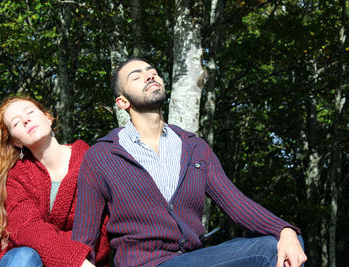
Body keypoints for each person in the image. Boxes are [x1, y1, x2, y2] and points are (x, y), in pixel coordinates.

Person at [71, 58, 307, 267]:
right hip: (144, 263)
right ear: (122, 102)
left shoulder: (194, 147)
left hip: (192, 258)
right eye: (137, 76)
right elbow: (84, 240)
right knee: (266, 251)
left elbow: (236, 204)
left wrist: (285, 230)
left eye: (152, 71)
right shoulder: (102, 156)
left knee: (286, 244)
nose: (149, 75)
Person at [0, 96, 109, 267]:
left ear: (48, 117)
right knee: (25, 256)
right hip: (31, 261)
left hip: (89, 260)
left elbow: (104, 229)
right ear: (16, 141)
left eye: (30, 112)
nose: (25, 120)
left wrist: (48, 240)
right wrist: (75, 258)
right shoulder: (15, 177)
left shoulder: (92, 161)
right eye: (16, 123)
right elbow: (28, 229)